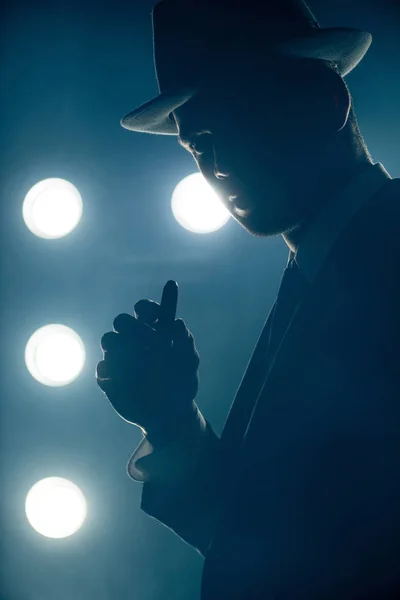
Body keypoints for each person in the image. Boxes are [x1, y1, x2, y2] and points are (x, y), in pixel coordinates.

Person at [96, 1, 400, 598]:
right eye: (194, 145)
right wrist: (170, 418)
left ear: (326, 103)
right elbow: (266, 541)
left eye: (233, 124)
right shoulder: (316, 277)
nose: (213, 163)